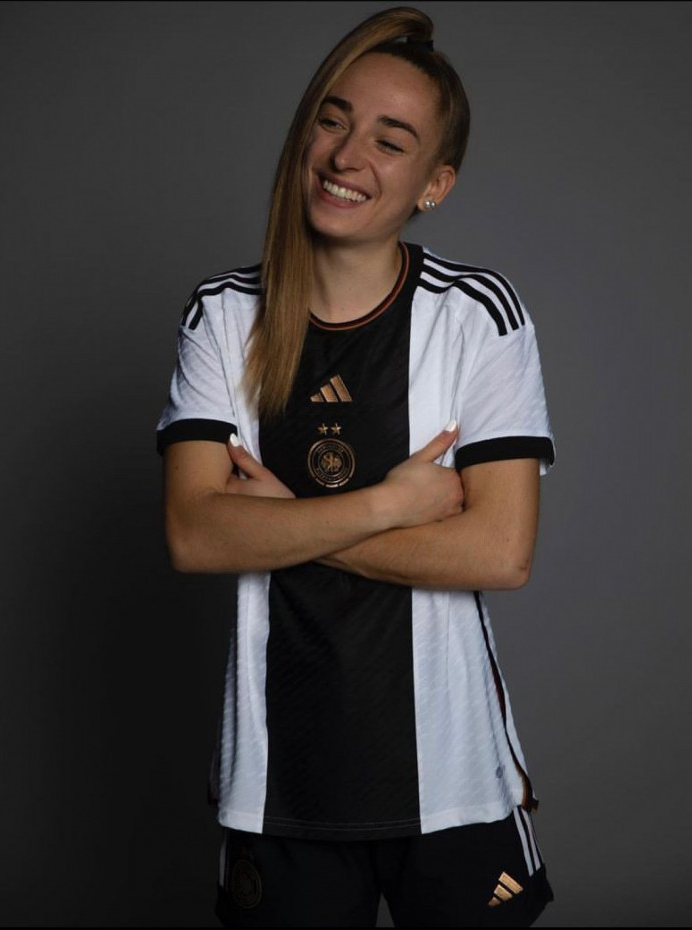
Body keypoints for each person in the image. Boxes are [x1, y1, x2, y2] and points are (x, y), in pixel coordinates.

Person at [155, 6, 556, 926]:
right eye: (331, 120)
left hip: (453, 778)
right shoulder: (222, 316)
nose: (347, 156)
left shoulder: (476, 316)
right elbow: (193, 534)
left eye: (390, 140)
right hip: (275, 780)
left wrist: (278, 518)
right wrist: (391, 504)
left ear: (433, 184)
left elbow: (497, 553)